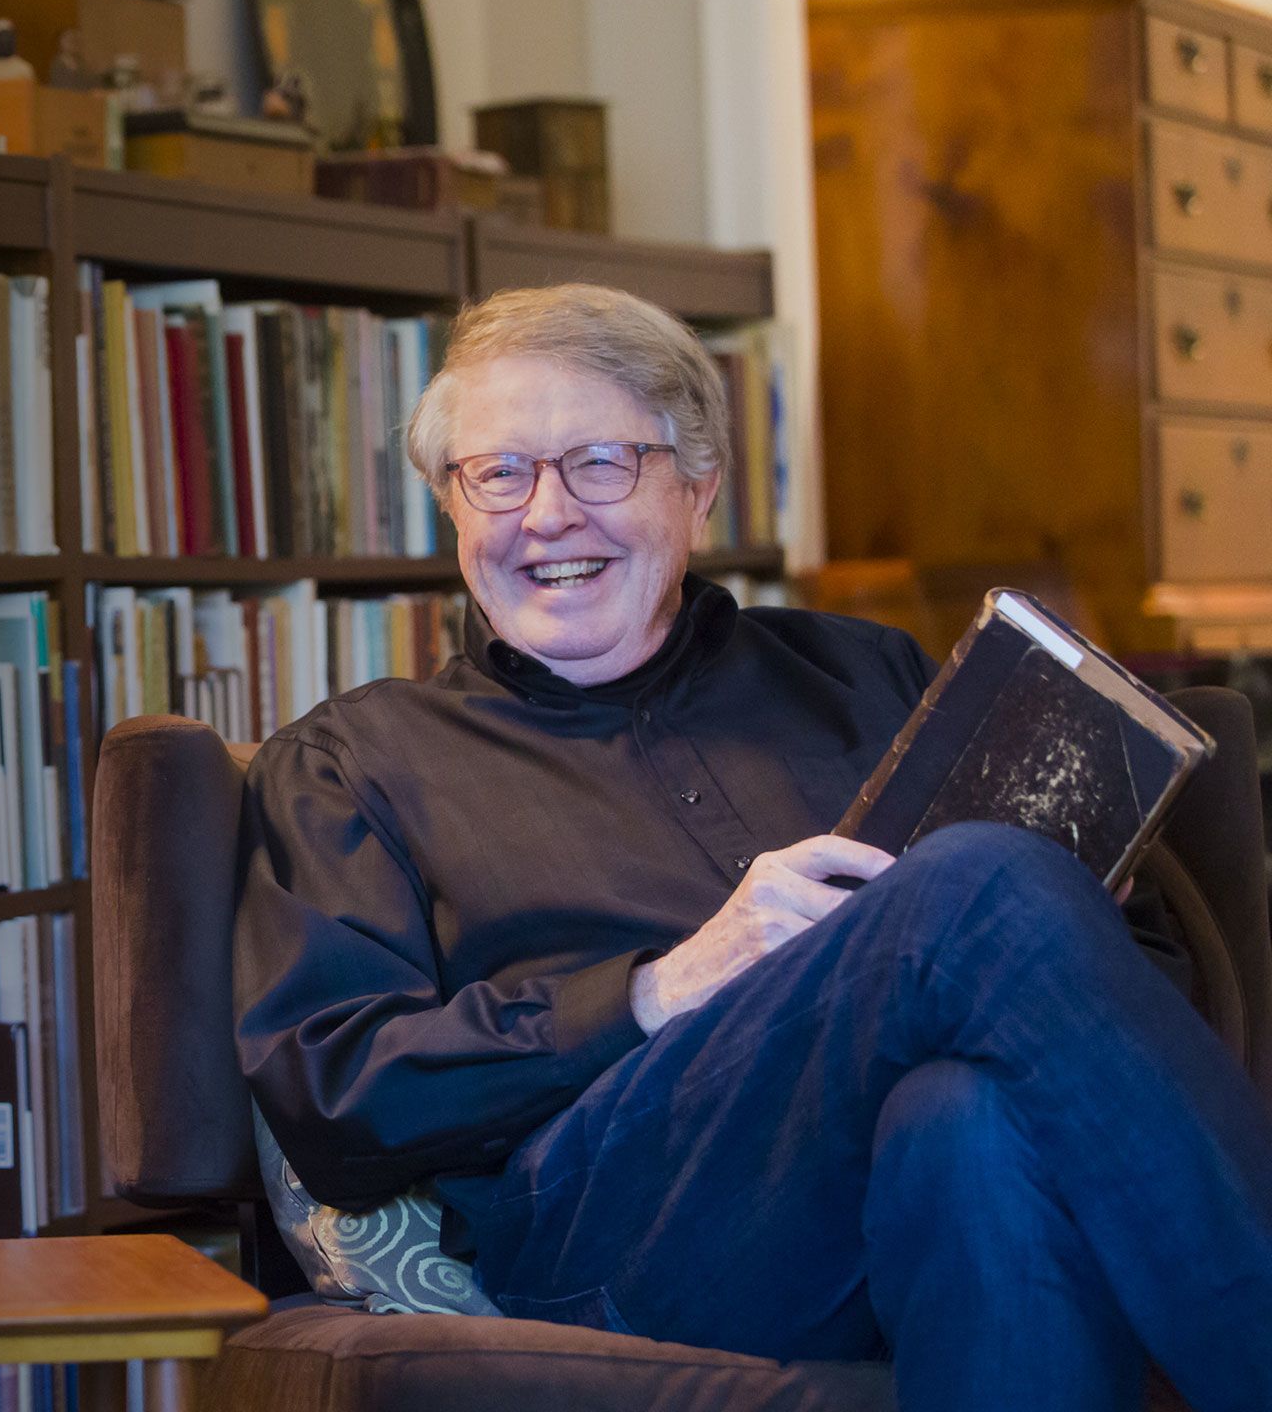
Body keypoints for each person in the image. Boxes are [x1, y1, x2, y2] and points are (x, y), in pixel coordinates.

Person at [231, 283, 1272, 1412]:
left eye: (598, 463)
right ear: (450, 504)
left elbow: (1143, 962)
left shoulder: (865, 675)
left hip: (891, 1208)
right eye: (499, 474)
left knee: (962, 1125)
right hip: (613, 1240)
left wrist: (1010, 943)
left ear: (699, 488)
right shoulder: (350, 759)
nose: (544, 516)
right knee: (972, 882)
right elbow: (334, 1095)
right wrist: (659, 990)